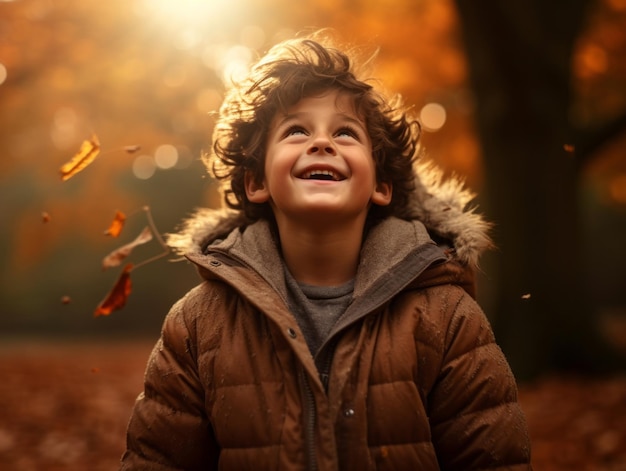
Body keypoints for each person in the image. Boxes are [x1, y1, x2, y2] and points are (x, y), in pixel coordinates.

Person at [120, 31, 532, 470]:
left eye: (345, 133)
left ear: (381, 186)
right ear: (256, 182)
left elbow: (493, 458)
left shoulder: (444, 316)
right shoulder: (198, 325)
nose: (322, 142)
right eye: (296, 130)